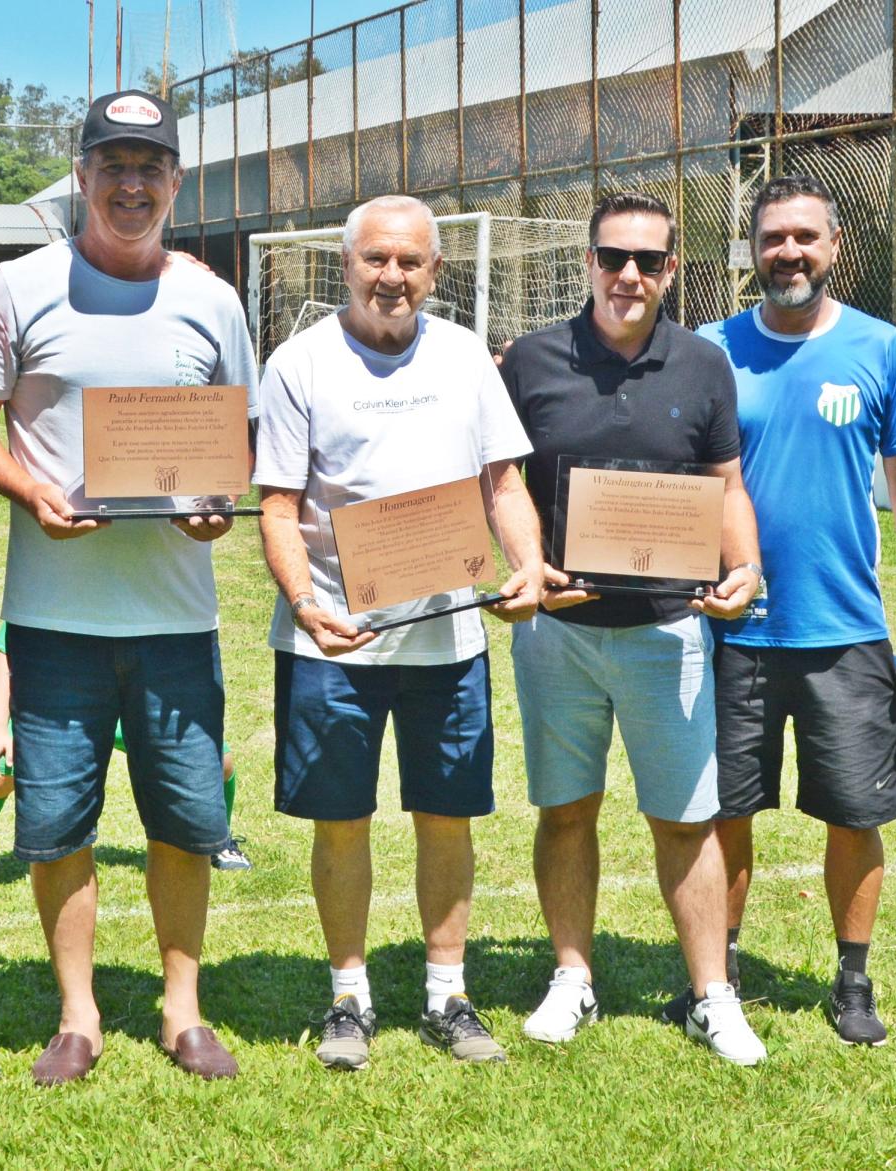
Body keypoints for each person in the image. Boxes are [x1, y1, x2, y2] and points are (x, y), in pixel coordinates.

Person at [0, 89, 257, 1085]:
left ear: (176, 180)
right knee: (58, 829)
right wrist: (34, 490)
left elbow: (237, 439)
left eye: (151, 165)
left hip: (177, 615)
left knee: (182, 824)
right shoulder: (19, 287)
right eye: (112, 164)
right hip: (54, 618)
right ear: (81, 175)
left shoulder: (212, 297)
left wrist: (218, 498)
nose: (131, 183)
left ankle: (182, 1010)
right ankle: (77, 1016)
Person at [255, 194, 544, 1072]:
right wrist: (306, 600)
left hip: (447, 639)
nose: (392, 276)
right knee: (340, 822)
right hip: (333, 639)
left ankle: (446, 992)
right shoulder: (299, 362)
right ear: (346, 264)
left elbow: (503, 483)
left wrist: (526, 564)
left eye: (410, 262)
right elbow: (278, 502)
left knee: (445, 818)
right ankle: (349, 995)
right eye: (376, 259)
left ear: (435, 271)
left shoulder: (463, 356)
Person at [498, 191, 767, 1065]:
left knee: (685, 820)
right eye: (614, 257)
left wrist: (746, 569)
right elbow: (501, 487)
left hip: (668, 630)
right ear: (587, 261)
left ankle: (710, 994)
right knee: (567, 810)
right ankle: (572, 975)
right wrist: (531, 570)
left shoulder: (702, 364)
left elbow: (726, 484)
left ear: (672, 269)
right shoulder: (531, 360)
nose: (629, 275)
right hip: (560, 634)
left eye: (649, 261)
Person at [685, 174, 896, 1046]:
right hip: (735, 631)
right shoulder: (711, 350)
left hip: (845, 632)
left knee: (855, 814)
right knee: (726, 814)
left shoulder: (881, 349)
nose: (788, 252)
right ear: (752, 251)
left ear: (834, 247)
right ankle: (716, 981)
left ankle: (852, 978)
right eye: (773, 238)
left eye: (805, 237)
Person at [0, 622, 251, 868]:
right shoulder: (54, 577)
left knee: (219, 764)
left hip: (143, 692)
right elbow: (7, 649)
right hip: (69, 704)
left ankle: (220, 842)